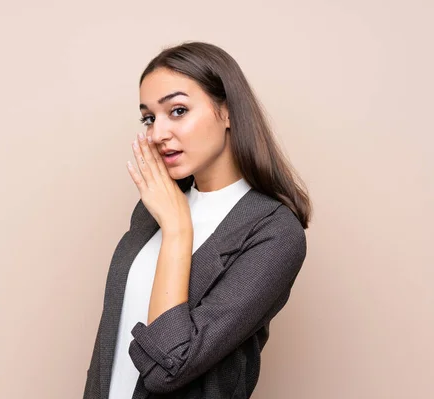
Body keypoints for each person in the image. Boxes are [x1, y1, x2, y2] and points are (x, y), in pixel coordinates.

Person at [83, 41, 312, 399]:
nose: (157, 134)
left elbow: (167, 368)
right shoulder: (152, 208)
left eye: (177, 110)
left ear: (227, 112)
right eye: (149, 118)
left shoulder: (275, 233)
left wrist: (177, 229)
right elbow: (111, 344)